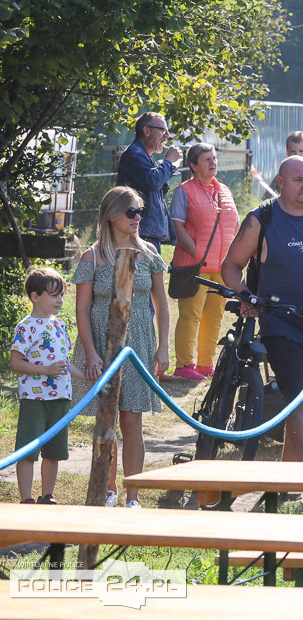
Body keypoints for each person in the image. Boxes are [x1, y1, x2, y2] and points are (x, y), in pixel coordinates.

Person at [221, 156, 303, 462]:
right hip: (281, 326)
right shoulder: (261, 218)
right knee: (300, 404)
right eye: (298, 180)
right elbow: (231, 266)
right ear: (281, 182)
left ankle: (283, 482)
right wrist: (247, 295)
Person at [71, 187, 170, 507]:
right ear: (112, 215)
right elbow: (81, 310)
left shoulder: (150, 253)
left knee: (132, 421)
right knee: (106, 418)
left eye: (140, 210)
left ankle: (133, 496)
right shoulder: (93, 256)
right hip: (101, 341)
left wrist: (164, 346)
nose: (138, 216)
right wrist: (91, 352)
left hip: (138, 342)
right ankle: (108, 488)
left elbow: (163, 305)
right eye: (131, 211)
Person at [12, 268, 84, 504]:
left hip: (61, 397)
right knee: (28, 450)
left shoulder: (61, 325)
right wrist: (46, 370)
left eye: (61, 295)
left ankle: (47, 495)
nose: (60, 301)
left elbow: (64, 364)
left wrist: (87, 377)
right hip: (34, 399)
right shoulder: (26, 327)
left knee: (54, 451)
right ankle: (27, 499)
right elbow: (16, 362)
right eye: (54, 296)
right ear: (35, 296)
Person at [169, 143, 240, 380]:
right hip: (194, 267)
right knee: (191, 316)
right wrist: (197, 252)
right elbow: (177, 225)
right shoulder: (184, 190)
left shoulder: (225, 191)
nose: (212, 163)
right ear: (193, 165)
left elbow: (235, 225)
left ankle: (205, 364)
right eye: (206, 159)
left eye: (214, 158)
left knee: (214, 316)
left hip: (221, 267)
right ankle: (184, 366)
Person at [116, 112, 181, 251]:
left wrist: (168, 168)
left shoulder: (145, 156)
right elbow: (153, 182)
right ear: (146, 130)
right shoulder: (135, 154)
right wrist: (168, 161)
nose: (167, 136)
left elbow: (156, 190)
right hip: (139, 235)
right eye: (163, 130)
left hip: (147, 235)